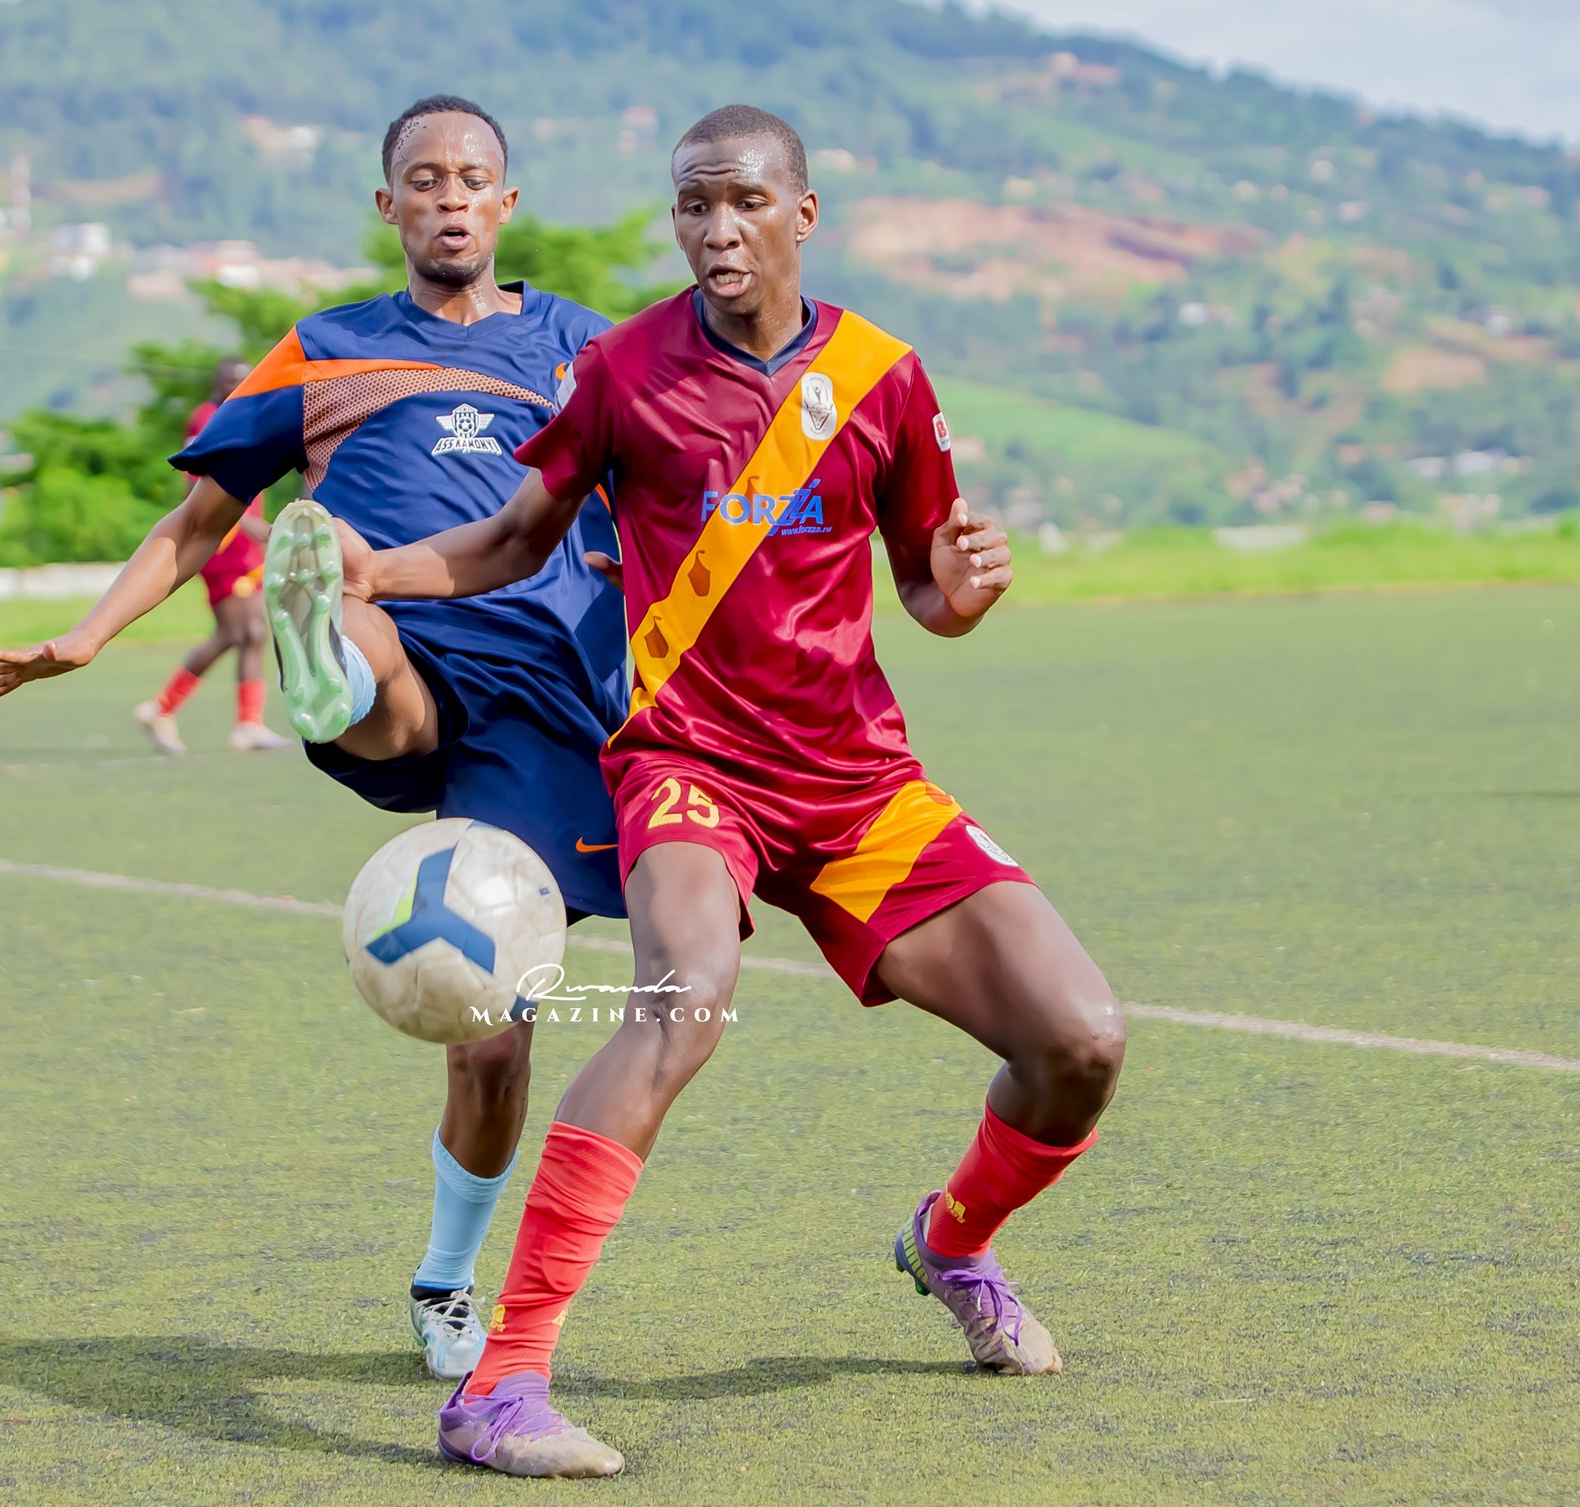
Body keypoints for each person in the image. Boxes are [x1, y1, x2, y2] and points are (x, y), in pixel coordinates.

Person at [313, 104, 1128, 1478]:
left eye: (744, 201)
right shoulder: (623, 370)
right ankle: (500, 1386)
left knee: (1081, 1041)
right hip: (689, 764)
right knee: (683, 997)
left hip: (856, 781)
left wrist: (961, 593)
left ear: (801, 214)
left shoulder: (881, 377)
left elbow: (924, 586)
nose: (716, 228)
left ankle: (951, 1244)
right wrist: (374, 574)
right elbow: (513, 538)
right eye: (693, 204)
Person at [0, 96, 628, 1382]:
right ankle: (327, 651)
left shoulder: (588, 350)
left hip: (548, 698)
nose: (447, 195)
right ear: (387, 205)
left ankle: (444, 1279)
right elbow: (197, 518)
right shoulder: (322, 351)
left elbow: (690, 489)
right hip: (403, 649)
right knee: (364, 628)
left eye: (470, 177)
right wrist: (89, 637)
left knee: (493, 1037)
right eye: (421, 178)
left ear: (505, 201)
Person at [132, 356, 287, 754]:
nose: (240, 386)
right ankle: (162, 707)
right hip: (222, 542)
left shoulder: (250, 412)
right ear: (218, 384)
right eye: (233, 381)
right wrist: (242, 521)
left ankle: (247, 724)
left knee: (253, 633)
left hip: (246, 547)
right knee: (235, 632)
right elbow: (196, 484)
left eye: (245, 380)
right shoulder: (206, 419)